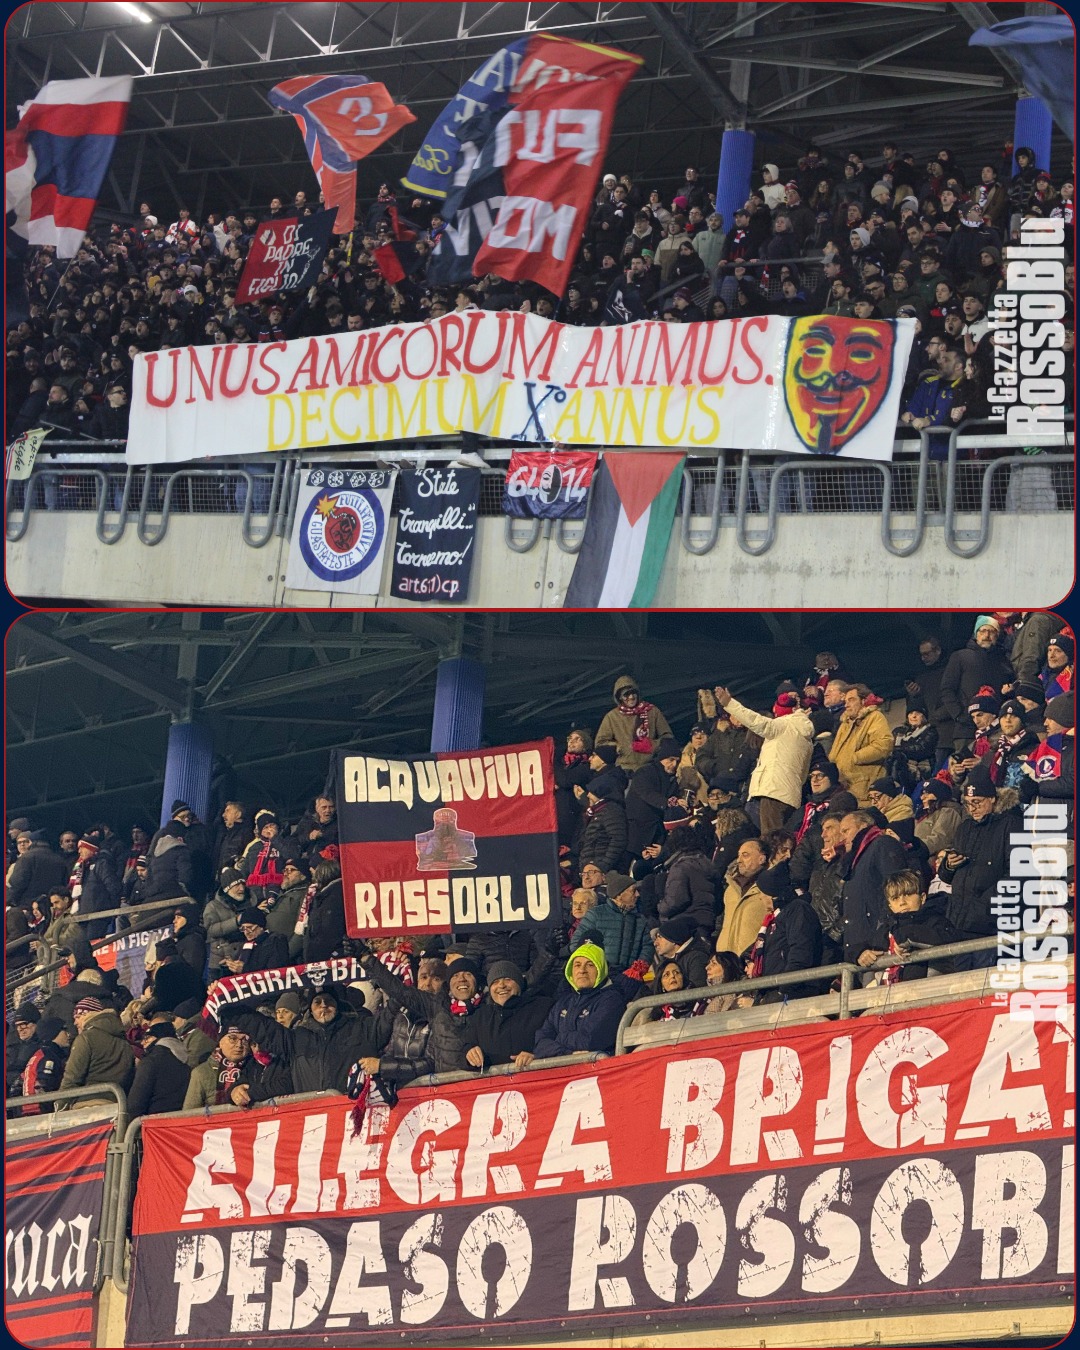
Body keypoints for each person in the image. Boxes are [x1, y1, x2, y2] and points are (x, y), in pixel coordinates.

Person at [937, 765, 1022, 968]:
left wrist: (985, 905)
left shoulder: (1012, 824)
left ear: (992, 798)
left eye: (977, 802)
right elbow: (946, 876)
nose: (972, 808)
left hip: (990, 925)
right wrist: (948, 866)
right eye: (967, 804)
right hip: (959, 922)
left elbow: (1018, 875)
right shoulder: (964, 828)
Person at [229, 984, 384, 1094]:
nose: (323, 1005)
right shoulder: (296, 1039)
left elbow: (393, 1013)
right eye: (317, 1002)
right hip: (312, 1122)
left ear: (338, 1006)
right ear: (310, 1008)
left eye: (329, 1001)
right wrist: (227, 1002)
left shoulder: (363, 1029)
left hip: (353, 1116)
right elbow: (261, 1026)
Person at [711, 684, 813, 833]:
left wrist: (729, 704)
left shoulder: (783, 725)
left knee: (771, 839)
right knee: (782, 838)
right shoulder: (805, 735)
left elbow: (756, 721)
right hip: (790, 795)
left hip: (773, 792)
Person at [523, 944, 639, 1064]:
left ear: (601, 969)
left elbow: (590, 1041)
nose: (582, 970)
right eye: (577, 965)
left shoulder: (611, 1000)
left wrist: (558, 1038)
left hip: (599, 1073)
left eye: (590, 965)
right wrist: (567, 1054)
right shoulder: (563, 1002)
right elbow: (540, 1042)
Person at [838, 809, 909, 976]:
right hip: (860, 955)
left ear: (863, 826)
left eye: (846, 831)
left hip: (878, 952)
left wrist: (881, 940)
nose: (842, 838)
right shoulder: (855, 860)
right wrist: (855, 952)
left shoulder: (882, 845)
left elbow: (897, 892)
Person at [462, 961, 554, 1069]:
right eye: (495, 982)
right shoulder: (480, 1017)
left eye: (508, 979)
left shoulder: (543, 1007)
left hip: (536, 1079)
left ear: (519, 984)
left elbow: (556, 1042)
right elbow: (464, 1051)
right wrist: (469, 1056)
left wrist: (538, 1056)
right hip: (496, 1084)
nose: (501, 985)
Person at [881, 869, 961, 982]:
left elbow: (950, 940)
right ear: (890, 906)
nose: (902, 902)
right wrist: (859, 953)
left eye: (908, 894)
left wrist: (908, 936)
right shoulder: (887, 928)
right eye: (895, 898)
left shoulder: (935, 920)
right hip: (890, 995)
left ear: (922, 898)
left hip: (926, 991)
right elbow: (865, 947)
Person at [58, 996, 136, 1106]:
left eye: (78, 1017)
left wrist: (60, 1106)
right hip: (117, 1105)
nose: (75, 1022)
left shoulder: (86, 1038)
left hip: (86, 1106)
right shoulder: (125, 1043)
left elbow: (72, 1078)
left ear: (88, 1015)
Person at [570, 870, 653, 969]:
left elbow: (648, 947)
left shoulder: (640, 920)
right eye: (633, 891)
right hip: (601, 978)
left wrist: (636, 971)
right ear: (619, 894)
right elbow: (576, 944)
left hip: (629, 979)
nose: (637, 895)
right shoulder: (596, 914)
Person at [828, 685, 893, 805]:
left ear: (863, 701)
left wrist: (854, 758)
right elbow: (834, 753)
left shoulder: (875, 717)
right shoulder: (845, 724)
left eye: (851, 700)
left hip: (862, 791)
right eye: (846, 701)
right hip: (841, 788)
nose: (846, 704)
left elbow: (884, 745)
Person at [594, 677, 673, 773]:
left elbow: (668, 738)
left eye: (633, 693)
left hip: (650, 767)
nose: (631, 697)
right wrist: (620, 748)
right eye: (626, 694)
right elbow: (600, 743)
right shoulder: (611, 717)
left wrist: (653, 745)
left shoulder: (652, 712)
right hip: (623, 769)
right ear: (619, 697)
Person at [624, 738, 681, 856]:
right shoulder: (645, 772)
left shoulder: (672, 780)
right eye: (671, 760)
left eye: (677, 761)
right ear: (661, 758)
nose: (674, 764)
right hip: (636, 832)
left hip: (656, 835)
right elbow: (647, 793)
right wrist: (668, 803)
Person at [127, 1013, 191, 1117]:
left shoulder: (150, 1061)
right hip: (180, 1122)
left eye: (147, 1038)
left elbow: (135, 1104)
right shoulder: (187, 1058)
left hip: (153, 1125)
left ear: (158, 1038)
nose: (143, 1042)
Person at [717, 837, 772, 957]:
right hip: (725, 962)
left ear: (761, 859)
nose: (739, 860)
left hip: (751, 960)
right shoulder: (730, 889)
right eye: (739, 855)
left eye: (745, 855)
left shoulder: (769, 888)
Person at [575, 772, 628, 874]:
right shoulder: (597, 811)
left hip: (602, 871)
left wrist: (603, 866)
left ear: (602, 793)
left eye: (592, 791)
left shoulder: (612, 811)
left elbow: (618, 840)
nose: (588, 794)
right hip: (591, 869)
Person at [17, 1017, 71, 1113]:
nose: (68, 1034)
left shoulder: (41, 1053)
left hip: (31, 1108)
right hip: (39, 1110)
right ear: (55, 1033)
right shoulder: (48, 1056)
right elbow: (44, 1084)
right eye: (64, 1030)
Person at [651, 914, 711, 990]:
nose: (655, 943)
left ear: (673, 939)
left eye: (660, 937)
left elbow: (697, 991)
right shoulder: (665, 963)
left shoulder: (697, 958)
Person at [223, 907, 290, 974]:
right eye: (243, 928)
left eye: (249, 927)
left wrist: (245, 969)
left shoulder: (276, 940)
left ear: (261, 927)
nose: (246, 932)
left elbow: (276, 972)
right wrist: (228, 967)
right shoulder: (244, 945)